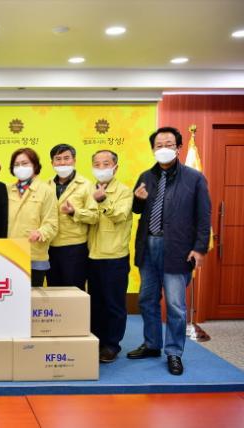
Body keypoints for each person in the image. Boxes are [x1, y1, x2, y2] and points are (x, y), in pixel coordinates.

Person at [127, 127, 211, 376]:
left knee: (175, 305)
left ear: (178, 148)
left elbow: (203, 216)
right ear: (153, 149)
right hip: (148, 246)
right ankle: (152, 344)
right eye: (159, 145)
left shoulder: (194, 178)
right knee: (147, 299)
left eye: (168, 144)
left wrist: (199, 248)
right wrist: (139, 199)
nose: (163, 148)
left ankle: (174, 352)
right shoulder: (145, 176)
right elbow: (137, 210)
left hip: (178, 248)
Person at [87, 150, 133, 363]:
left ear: (115, 167)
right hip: (92, 254)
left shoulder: (124, 191)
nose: (101, 168)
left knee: (114, 303)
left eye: (106, 164)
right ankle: (96, 341)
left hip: (114, 256)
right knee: (96, 303)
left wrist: (103, 200)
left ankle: (112, 345)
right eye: (97, 164)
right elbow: (88, 217)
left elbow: (120, 216)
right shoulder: (89, 188)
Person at [46, 144, 97, 290]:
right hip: (50, 247)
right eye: (58, 159)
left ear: (74, 160)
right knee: (54, 291)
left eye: (66, 158)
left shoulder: (86, 185)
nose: (62, 163)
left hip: (75, 248)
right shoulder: (46, 185)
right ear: (52, 163)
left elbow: (94, 216)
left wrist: (74, 212)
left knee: (74, 291)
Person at [7, 148, 58, 287]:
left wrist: (41, 232)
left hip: (34, 255)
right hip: (9, 254)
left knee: (32, 298)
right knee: (9, 295)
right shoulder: (7, 189)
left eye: (25, 163)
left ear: (35, 165)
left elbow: (52, 224)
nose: (20, 167)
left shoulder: (46, 191)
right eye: (16, 165)